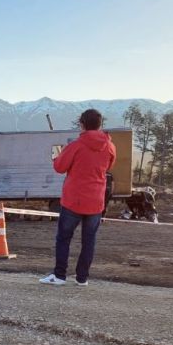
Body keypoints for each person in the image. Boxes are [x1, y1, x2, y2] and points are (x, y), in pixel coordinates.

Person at [40, 109, 116, 286]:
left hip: (73, 200)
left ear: (82, 124)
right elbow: (109, 166)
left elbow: (59, 167)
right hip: (96, 201)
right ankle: (82, 278)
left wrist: (57, 156)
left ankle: (59, 276)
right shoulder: (110, 146)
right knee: (89, 241)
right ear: (100, 125)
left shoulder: (75, 146)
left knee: (64, 238)